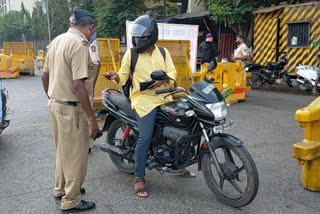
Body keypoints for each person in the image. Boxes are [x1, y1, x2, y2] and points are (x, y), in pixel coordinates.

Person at [103, 15, 195, 198]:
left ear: (152, 36)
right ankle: (139, 177)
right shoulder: (132, 53)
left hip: (165, 96)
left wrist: (163, 80)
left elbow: (172, 72)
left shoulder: (163, 52)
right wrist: (115, 76)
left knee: (183, 125)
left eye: (143, 37)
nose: (139, 40)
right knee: (145, 137)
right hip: (143, 99)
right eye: (137, 37)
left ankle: (180, 165)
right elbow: (123, 75)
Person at [41, 10, 99, 213]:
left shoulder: (56, 41)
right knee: (76, 155)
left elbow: (44, 76)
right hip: (72, 108)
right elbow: (78, 86)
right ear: (91, 27)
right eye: (94, 30)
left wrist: (52, 98)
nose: (93, 34)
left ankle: (61, 189)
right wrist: (91, 117)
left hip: (56, 104)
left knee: (63, 152)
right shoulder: (80, 44)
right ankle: (71, 200)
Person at [87, 33, 101, 152]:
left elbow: (97, 63)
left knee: (88, 113)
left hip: (86, 83)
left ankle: (88, 145)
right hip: (78, 83)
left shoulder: (91, 42)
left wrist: (92, 83)